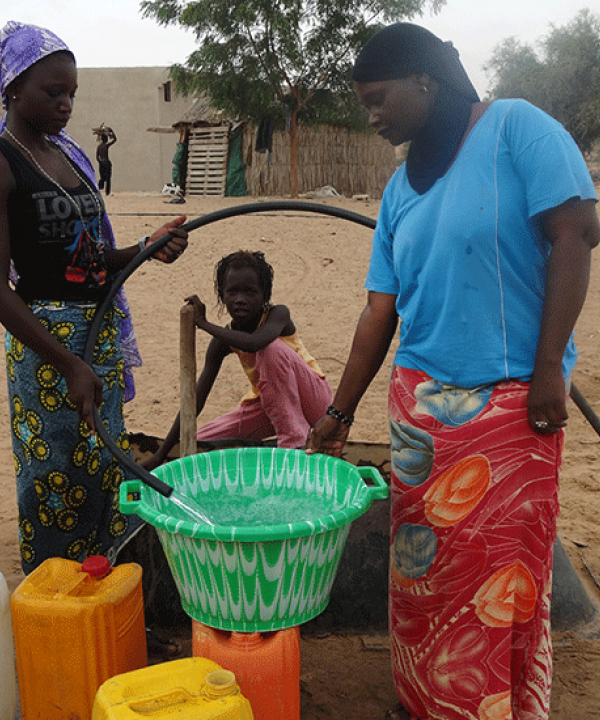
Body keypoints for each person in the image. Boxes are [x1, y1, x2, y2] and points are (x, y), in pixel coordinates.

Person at [307, 22, 599, 720]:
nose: (371, 116)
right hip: (419, 413)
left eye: (378, 99)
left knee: (498, 578)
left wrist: (548, 370)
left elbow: (576, 232)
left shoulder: (514, 130)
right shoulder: (398, 192)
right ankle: (427, 699)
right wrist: (338, 415)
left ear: (426, 82)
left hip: (510, 406)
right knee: (422, 574)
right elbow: (380, 313)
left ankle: (488, 706)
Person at [0, 21, 189, 574]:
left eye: (71, 94)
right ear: (11, 87)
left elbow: (85, 255)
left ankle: (110, 599)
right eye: (52, 92)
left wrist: (142, 248)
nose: (66, 104)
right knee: (56, 478)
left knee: (104, 467)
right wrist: (68, 363)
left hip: (95, 331)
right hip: (45, 347)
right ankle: (60, 607)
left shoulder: (69, 157)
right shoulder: (5, 162)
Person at [145, 250, 332, 469]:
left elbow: (254, 342)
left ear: (264, 295)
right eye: (232, 292)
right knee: (203, 442)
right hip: (274, 405)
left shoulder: (278, 315)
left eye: (250, 292)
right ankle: (290, 435)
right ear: (222, 295)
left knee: (269, 349)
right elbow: (195, 400)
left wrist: (204, 324)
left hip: (315, 402)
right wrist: (160, 454)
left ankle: (294, 444)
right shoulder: (223, 341)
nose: (240, 300)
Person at [96, 125, 116, 195]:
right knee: (108, 178)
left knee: (102, 177)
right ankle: (107, 192)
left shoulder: (99, 146)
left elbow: (97, 156)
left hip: (101, 163)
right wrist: (112, 132)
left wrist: (100, 162)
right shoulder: (106, 146)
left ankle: (98, 188)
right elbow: (115, 140)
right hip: (106, 162)